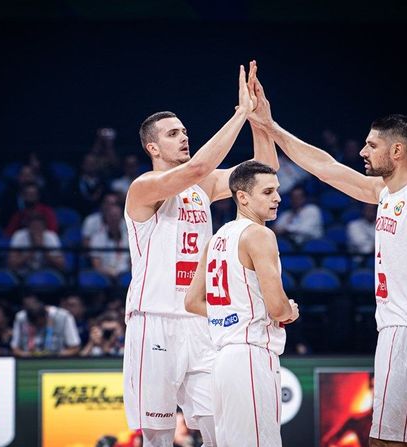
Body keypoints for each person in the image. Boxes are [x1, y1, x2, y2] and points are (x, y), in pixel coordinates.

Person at [251, 73, 407, 446]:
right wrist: (271, 127)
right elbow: (324, 166)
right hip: (405, 330)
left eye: (371, 145)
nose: (363, 152)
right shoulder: (384, 192)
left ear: (396, 151)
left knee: (384, 440)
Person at [122, 61, 277, 447]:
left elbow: (264, 170)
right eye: (173, 134)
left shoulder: (202, 185)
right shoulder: (144, 187)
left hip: (200, 320)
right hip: (153, 320)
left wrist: (259, 119)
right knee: (156, 436)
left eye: (185, 131)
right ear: (152, 147)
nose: (183, 137)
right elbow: (200, 166)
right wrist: (239, 113)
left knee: (216, 428)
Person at [185, 161, 299, 446]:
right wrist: (290, 311)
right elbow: (277, 308)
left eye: (278, 191)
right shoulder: (260, 234)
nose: (278, 198)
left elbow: (192, 301)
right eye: (268, 192)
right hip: (250, 357)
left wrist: (230, 314)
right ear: (243, 196)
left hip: (222, 360)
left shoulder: (216, 239)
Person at [11, 294, 80, 357]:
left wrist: (53, 355)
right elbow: (15, 349)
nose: (39, 327)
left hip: (57, 360)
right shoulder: (21, 318)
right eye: (35, 325)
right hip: (27, 360)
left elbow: (75, 348)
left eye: (41, 324)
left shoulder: (64, 316)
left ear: (46, 316)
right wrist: (28, 355)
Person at [90, 204, 130, 282]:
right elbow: (96, 264)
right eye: (111, 216)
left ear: (121, 218)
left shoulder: (128, 237)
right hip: (104, 275)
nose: (114, 219)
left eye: (116, 216)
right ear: (106, 218)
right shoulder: (97, 238)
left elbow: (131, 262)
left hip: (124, 274)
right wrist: (108, 273)